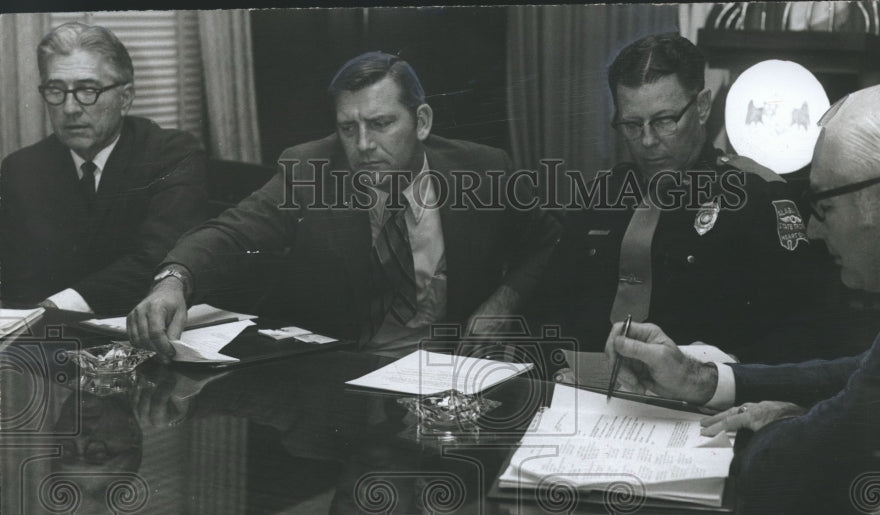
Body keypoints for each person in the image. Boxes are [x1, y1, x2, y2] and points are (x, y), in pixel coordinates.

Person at [604, 83, 880, 515]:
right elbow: (868, 372)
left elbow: (783, 480)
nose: (811, 230)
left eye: (824, 206)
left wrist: (786, 422)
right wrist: (704, 380)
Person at [127, 51, 560, 358]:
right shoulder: (310, 169)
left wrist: (504, 300)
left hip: (451, 372)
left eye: (381, 124)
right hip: (344, 375)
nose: (364, 145)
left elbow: (548, 239)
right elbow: (234, 231)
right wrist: (173, 279)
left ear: (422, 122)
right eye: (347, 129)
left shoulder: (482, 170)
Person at [539, 33, 851, 363]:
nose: (647, 140)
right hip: (586, 393)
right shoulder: (602, 196)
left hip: (704, 402)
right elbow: (549, 304)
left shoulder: (756, 195)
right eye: (631, 124)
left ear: (701, 107)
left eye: (664, 121)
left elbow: (811, 328)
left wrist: (714, 376)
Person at [0, 22, 208, 315]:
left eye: (87, 90)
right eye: (56, 90)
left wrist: (55, 306)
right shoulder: (21, 169)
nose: (70, 108)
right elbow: (14, 277)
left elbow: (159, 259)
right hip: (42, 337)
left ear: (124, 98)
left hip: (137, 331)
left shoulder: (171, 154)